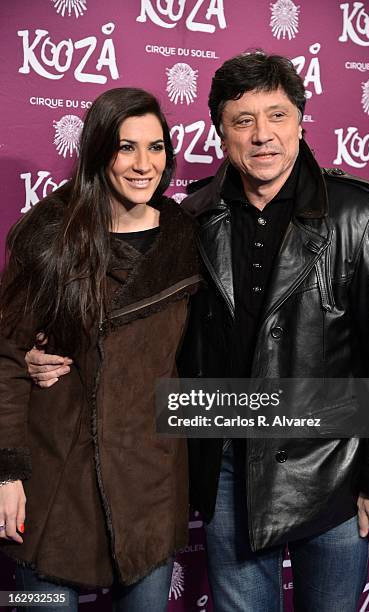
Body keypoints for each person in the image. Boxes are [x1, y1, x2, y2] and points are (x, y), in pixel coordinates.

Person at [26, 54, 369, 611]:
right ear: (219, 131)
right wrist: (50, 354)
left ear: (301, 121)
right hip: (230, 467)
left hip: (334, 468)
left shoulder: (361, 215)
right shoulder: (194, 217)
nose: (263, 136)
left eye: (277, 115)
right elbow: (141, 328)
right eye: (242, 120)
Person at [0, 87, 200, 611]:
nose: (143, 164)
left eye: (155, 148)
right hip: (53, 484)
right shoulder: (50, 236)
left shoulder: (185, 241)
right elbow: (7, 358)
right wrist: (7, 472)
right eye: (125, 147)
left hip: (148, 486)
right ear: (97, 152)